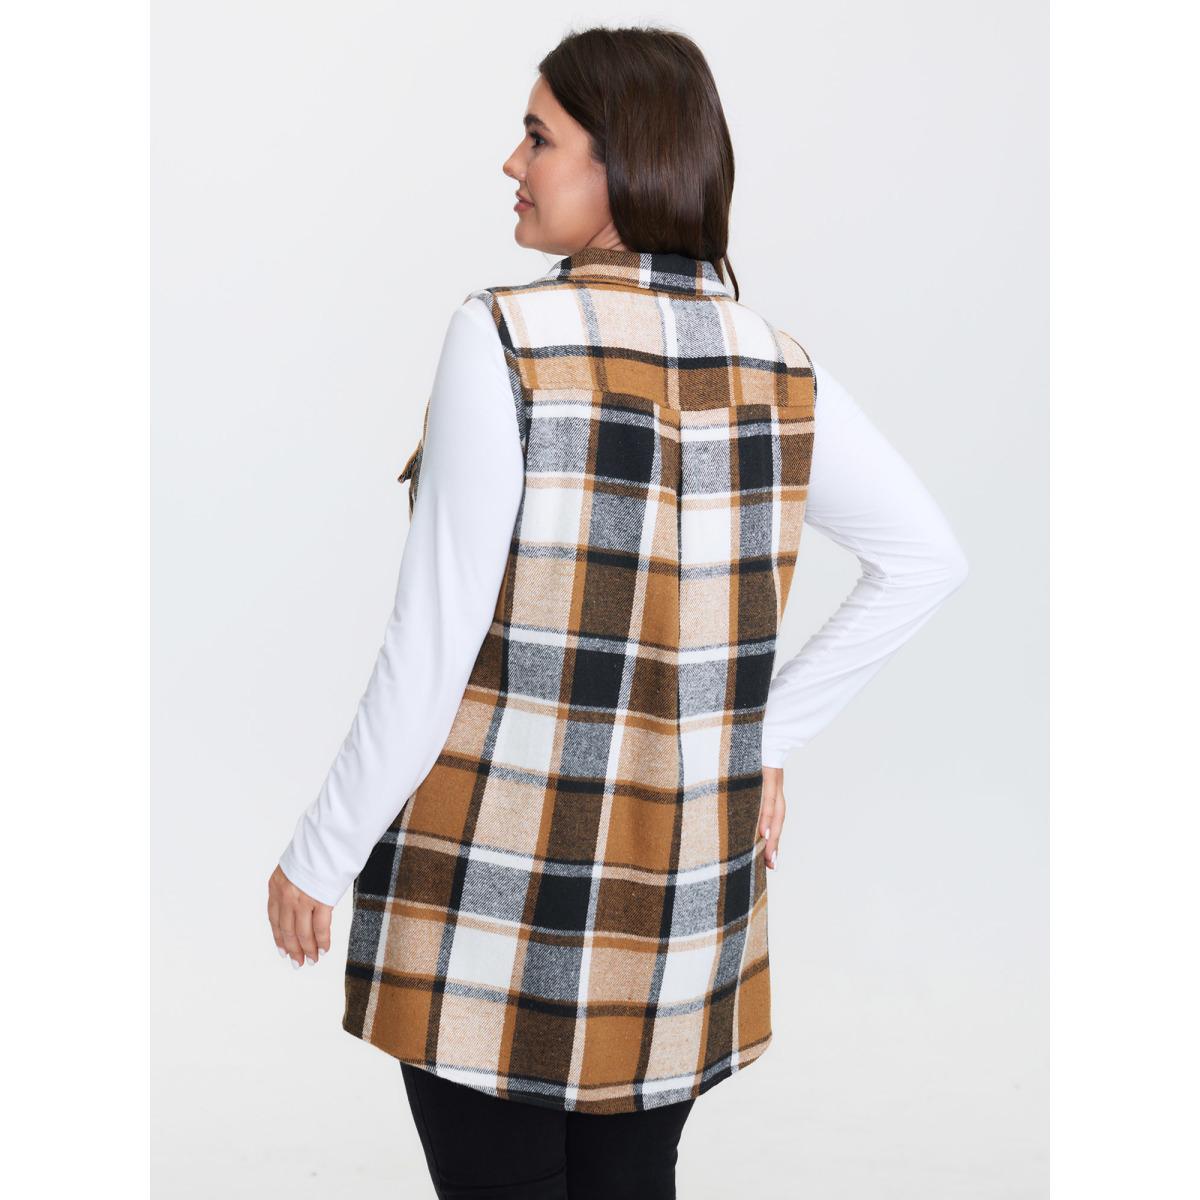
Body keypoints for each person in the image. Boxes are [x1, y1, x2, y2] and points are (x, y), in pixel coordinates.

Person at [266, 24, 969, 1200]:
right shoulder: (778, 367)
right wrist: (762, 740)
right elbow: (926, 558)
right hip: (672, 905)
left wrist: (320, 853)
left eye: (539, 137)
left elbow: (431, 647)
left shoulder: (504, 339)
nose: (512, 162)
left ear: (623, 160)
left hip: (490, 895)